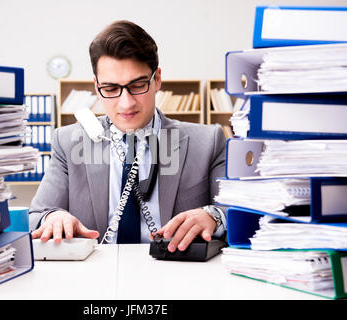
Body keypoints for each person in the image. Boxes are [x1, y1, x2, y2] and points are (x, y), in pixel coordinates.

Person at [29, 20, 226, 253]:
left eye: (138, 84)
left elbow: (243, 212)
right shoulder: (67, 141)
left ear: (157, 79)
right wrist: (53, 218)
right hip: (94, 277)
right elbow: (36, 216)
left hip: (176, 274)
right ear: (96, 86)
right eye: (111, 89)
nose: (126, 103)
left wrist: (214, 216)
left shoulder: (208, 142)